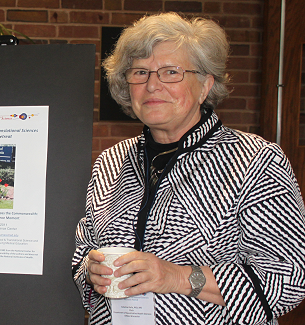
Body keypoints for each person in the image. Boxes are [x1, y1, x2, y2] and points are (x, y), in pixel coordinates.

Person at [72, 12, 305, 324]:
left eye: (170, 72)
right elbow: (82, 251)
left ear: (205, 85)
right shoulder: (111, 161)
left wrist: (178, 277)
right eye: (140, 72)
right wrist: (91, 269)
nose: (152, 85)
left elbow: (288, 281)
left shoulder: (256, 160)